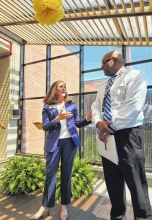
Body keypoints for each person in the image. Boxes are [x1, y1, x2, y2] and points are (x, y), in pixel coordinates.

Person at [91, 50, 152, 220]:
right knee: (113, 182)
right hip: (107, 136)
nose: (101, 66)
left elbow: (133, 106)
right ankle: (117, 216)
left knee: (136, 183)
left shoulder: (134, 76)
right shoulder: (103, 86)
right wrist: (98, 124)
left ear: (116, 60)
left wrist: (109, 127)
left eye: (104, 62)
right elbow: (96, 106)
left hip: (128, 135)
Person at [30, 80, 92, 220]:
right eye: (61, 86)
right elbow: (45, 126)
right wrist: (57, 119)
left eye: (65, 86)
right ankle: (44, 206)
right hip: (54, 144)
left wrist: (87, 119)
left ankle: (63, 206)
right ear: (55, 89)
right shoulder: (47, 106)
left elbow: (77, 123)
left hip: (69, 143)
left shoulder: (71, 105)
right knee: (50, 175)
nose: (64, 88)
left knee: (66, 175)